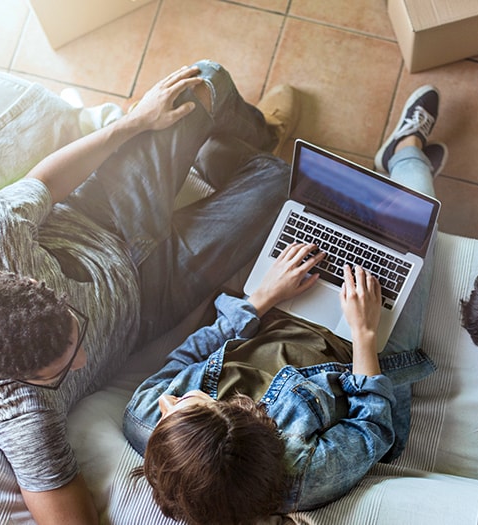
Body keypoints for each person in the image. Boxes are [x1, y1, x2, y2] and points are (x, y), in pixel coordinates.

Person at [0, 61, 298, 524]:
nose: (85, 359)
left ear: (30, 282)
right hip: (151, 294)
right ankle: (231, 157)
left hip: (104, 213)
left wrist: (134, 123)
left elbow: (45, 184)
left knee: (203, 83)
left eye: (74, 331)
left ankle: (255, 133)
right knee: (283, 183)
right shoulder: (18, 412)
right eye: (64, 369)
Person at [123, 86, 446, 525]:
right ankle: (405, 151)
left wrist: (260, 299)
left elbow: (188, 356)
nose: (171, 400)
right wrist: (365, 335)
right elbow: (373, 427)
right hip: (359, 349)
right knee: (420, 223)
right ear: (248, 422)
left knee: (290, 199)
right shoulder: (302, 477)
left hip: (274, 308)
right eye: (194, 403)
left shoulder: (149, 421)